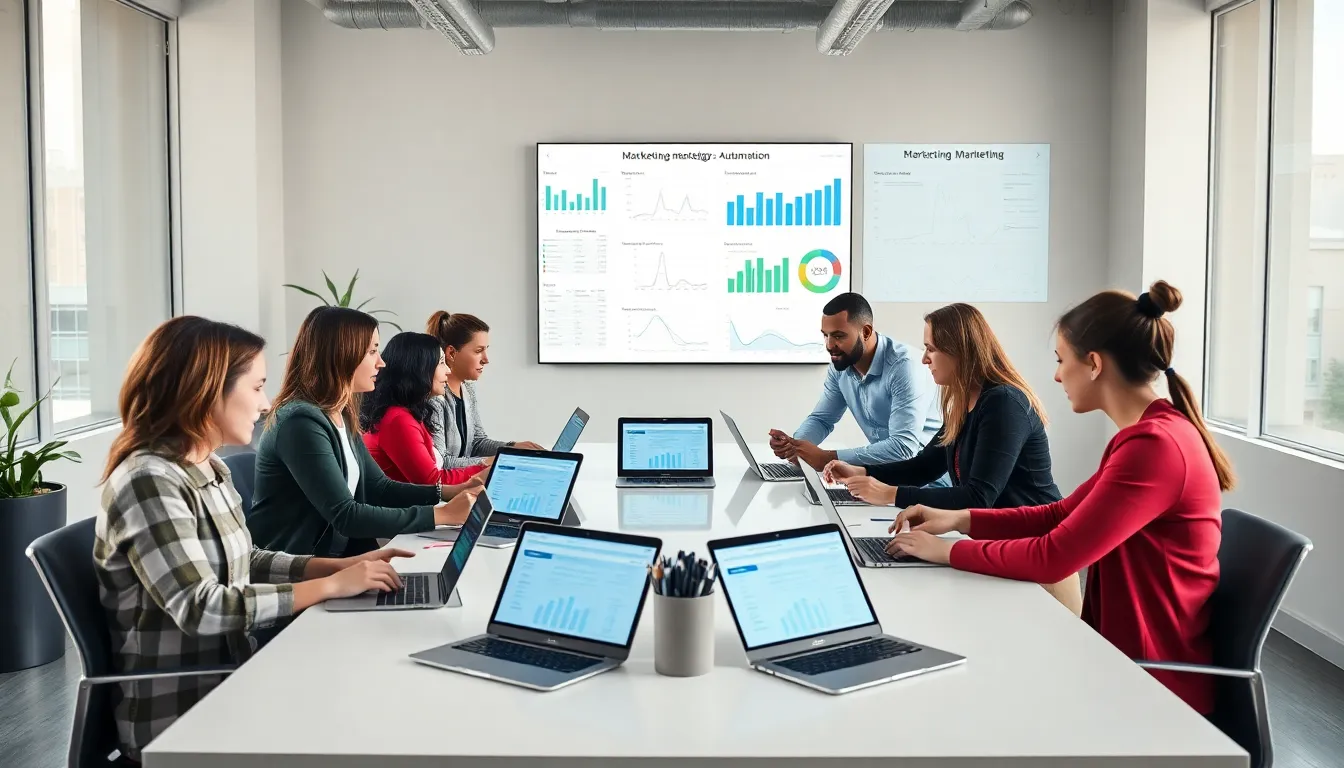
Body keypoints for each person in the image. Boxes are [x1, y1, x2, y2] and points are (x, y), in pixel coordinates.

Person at [887, 281, 1230, 715]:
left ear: (1093, 364)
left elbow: (1054, 557)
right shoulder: (1143, 438)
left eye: (1060, 360)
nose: (1055, 375)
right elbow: (1059, 514)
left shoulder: (1156, 447)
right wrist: (958, 521)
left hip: (1149, 684)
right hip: (1117, 661)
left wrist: (947, 553)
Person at [95, 317, 412, 763]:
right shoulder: (149, 480)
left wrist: (331, 568)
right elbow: (201, 607)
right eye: (257, 386)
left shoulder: (208, 467)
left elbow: (247, 559)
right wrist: (327, 588)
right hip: (187, 715)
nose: (266, 405)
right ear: (205, 390)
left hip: (240, 676)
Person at [249, 307, 480, 558]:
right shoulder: (299, 422)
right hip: (299, 568)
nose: (381, 362)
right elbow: (346, 515)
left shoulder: (341, 414)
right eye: (372, 351)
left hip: (341, 557)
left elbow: (379, 488)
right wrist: (442, 514)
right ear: (341, 355)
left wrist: (449, 491)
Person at [822, 303, 1061, 509]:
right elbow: (924, 467)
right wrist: (863, 472)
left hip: (1035, 540)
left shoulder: (1004, 403)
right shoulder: (964, 404)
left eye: (931, 349)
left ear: (960, 352)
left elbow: (978, 498)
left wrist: (889, 494)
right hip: (1000, 538)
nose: (924, 359)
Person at [769, 292, 944, 475]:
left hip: (927, 481)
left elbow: (904, 447)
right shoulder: (841, 366)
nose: (829, 345)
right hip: (886, 475)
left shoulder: (903, 366)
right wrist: (796, 447)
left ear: (866, 332)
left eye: (838, 336)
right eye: (825, 336)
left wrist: (826, 459)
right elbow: (822, 420)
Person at [361, 332, 488, 485]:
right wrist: (487, 469)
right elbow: (432, 482)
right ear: (420, 369)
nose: (448, 370)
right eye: (441, 362)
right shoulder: (398, 420)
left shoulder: (409, 413)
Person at [425, 310, 542, 469]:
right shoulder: (433, 398)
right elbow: (442, 463)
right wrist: (499, 460)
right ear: (451, 353)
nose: (486, 359)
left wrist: (512, 447)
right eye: (478, 351)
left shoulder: (467, 389)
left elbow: (477, 442)